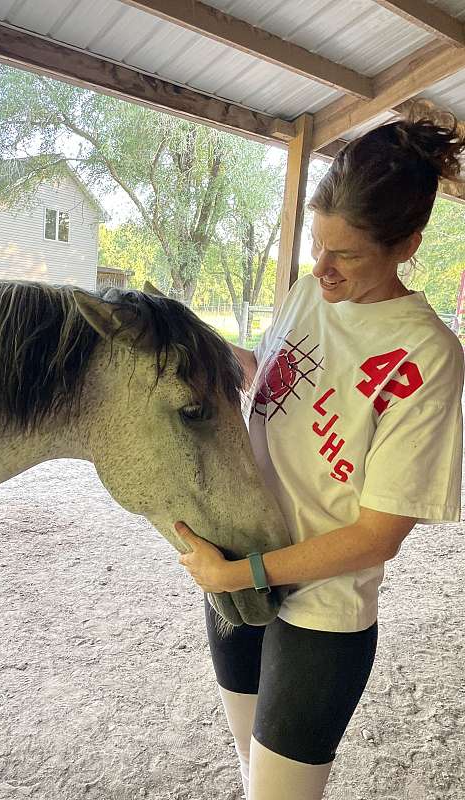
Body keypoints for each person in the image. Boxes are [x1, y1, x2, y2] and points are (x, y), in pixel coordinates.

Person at [174, 115, 465, 800]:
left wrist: (238, 572)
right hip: (237, 570)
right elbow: (268, 382)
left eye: (348, 256)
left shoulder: (426, 357)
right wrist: (217, 354)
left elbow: (377, 535)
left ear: (407, 246)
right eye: (316, 245)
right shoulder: (310, 291)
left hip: (319, 609)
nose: (322, 270)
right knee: (255, 780)